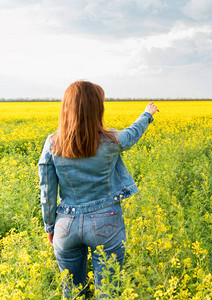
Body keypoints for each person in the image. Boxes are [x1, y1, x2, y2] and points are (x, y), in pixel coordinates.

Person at [38, 81, 159, 298]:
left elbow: (47, 191)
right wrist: (147, 115)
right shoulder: (111, 139)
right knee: (108, 293)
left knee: (73, 293)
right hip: (106, 221)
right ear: (98, 109)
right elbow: (132, 134)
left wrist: (49, 226)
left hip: (66, 225)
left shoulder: (53, 143)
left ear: (66, 108)